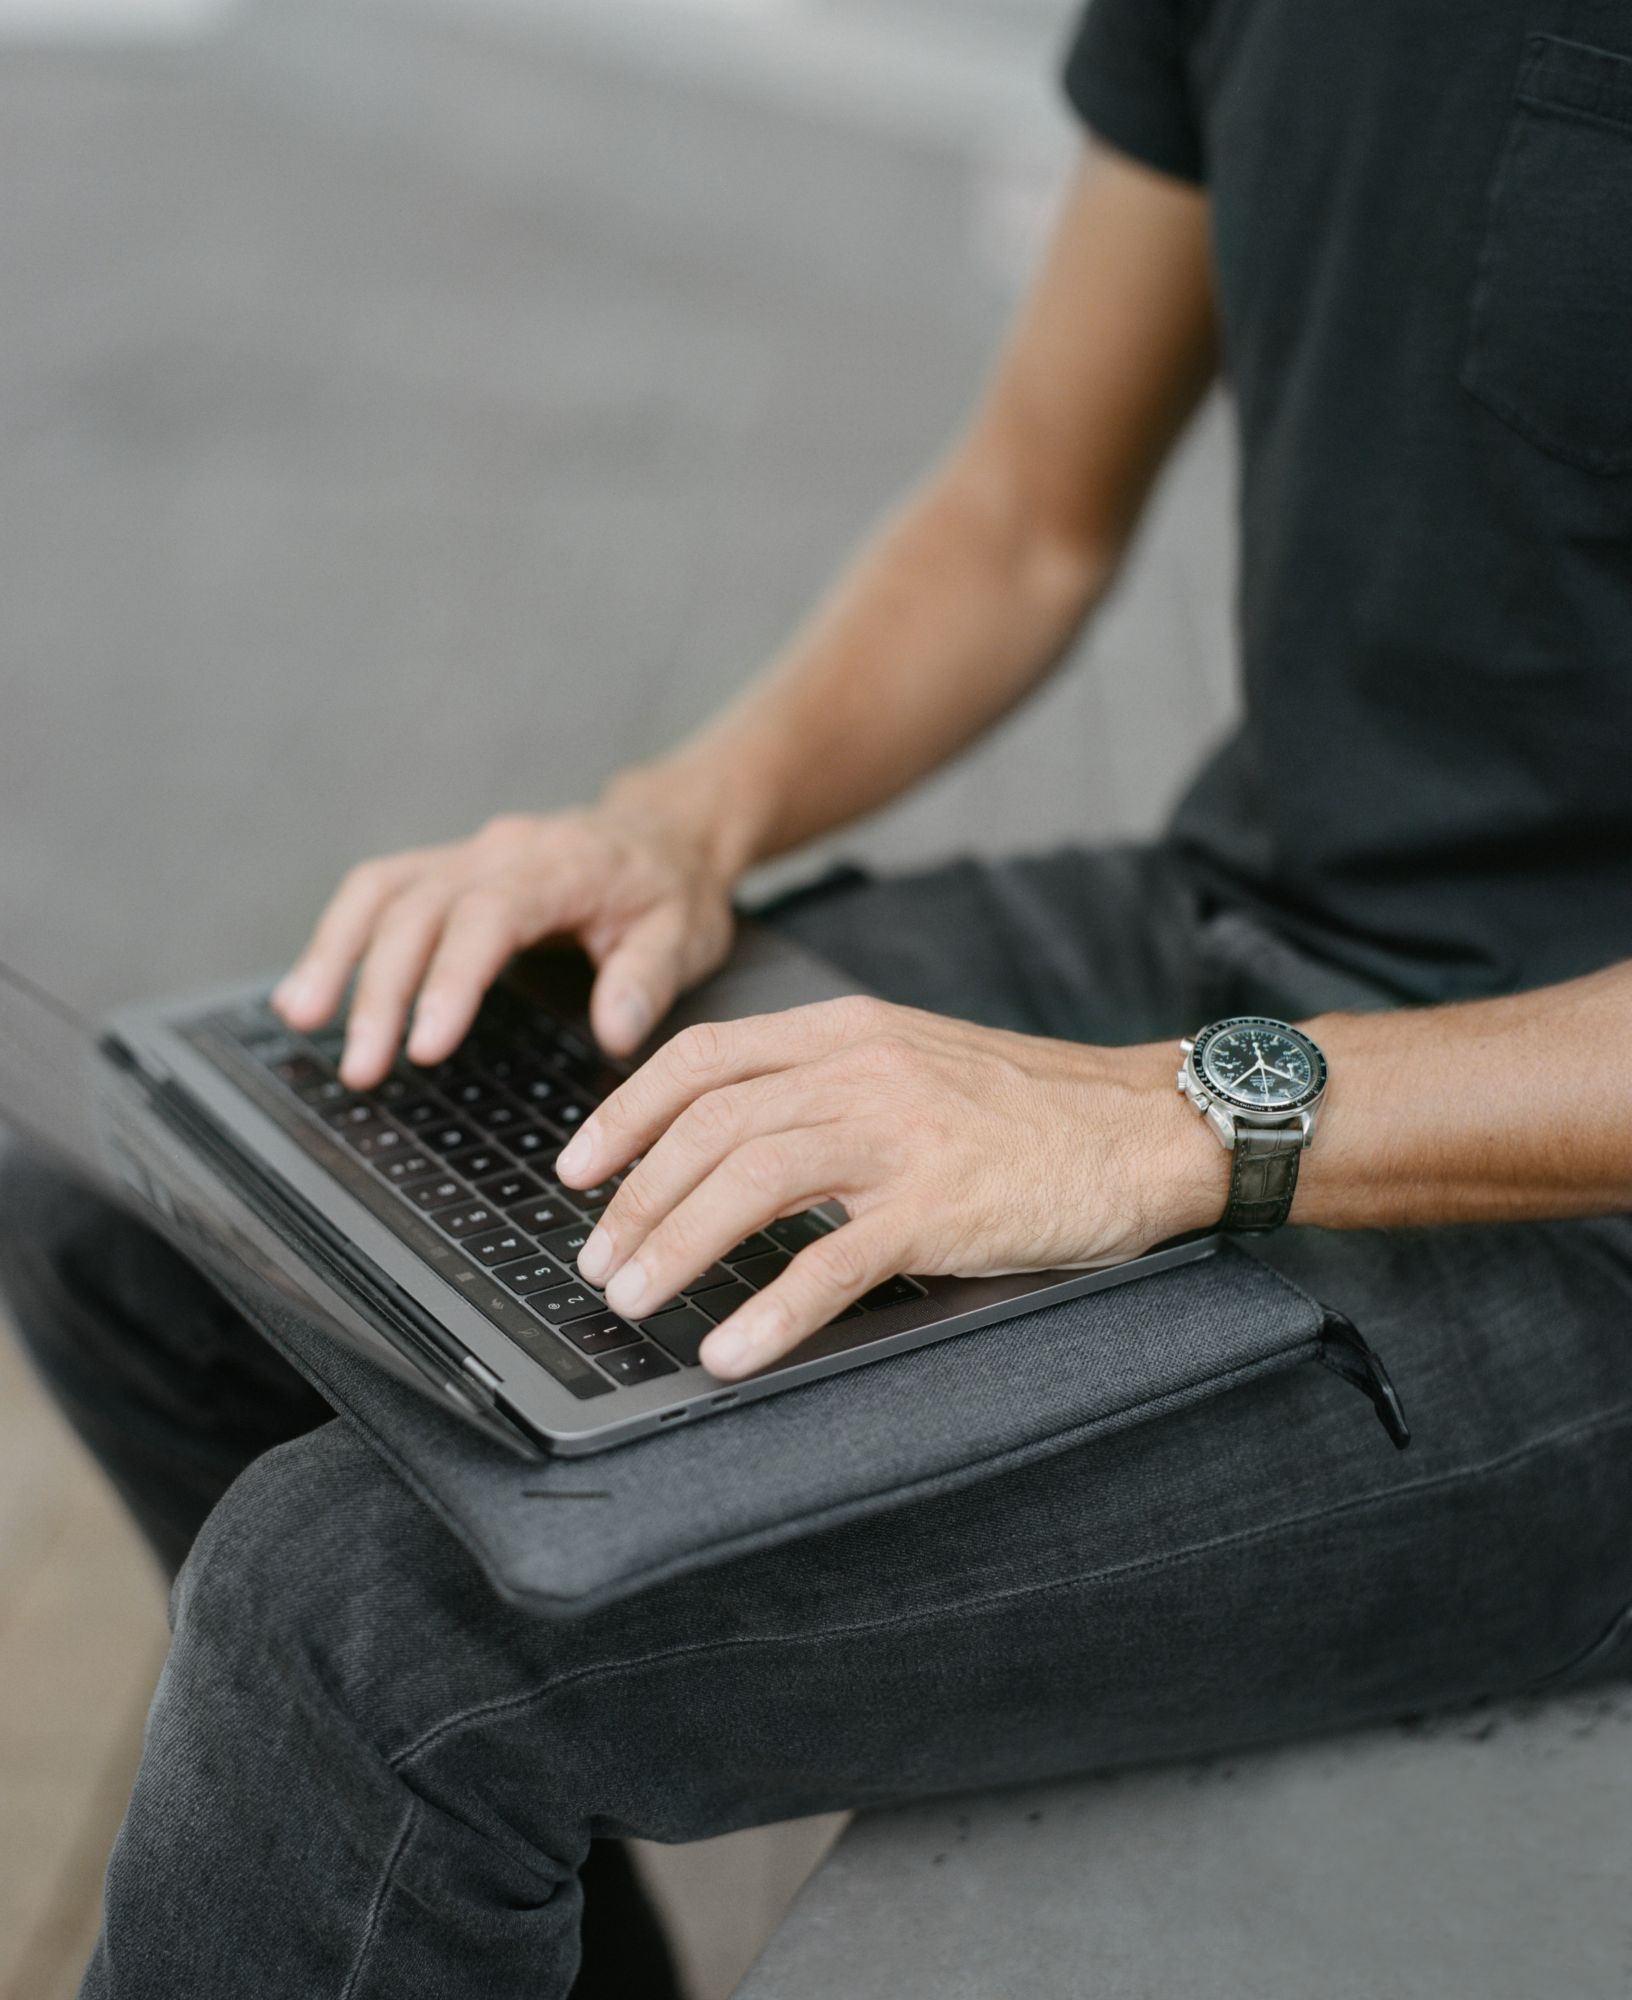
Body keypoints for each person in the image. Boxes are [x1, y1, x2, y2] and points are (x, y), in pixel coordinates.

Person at [4, 2, 1632, 1993]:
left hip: (1570, 1221)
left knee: (354, 1629)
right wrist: (681, 823)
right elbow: (1028, 509)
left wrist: (1161, 1122)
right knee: (156, 1198)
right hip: (1221, 940)